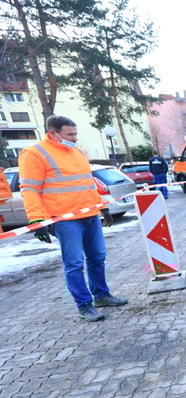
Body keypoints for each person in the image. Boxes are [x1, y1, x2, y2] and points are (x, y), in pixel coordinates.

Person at [18, 115, 128, 322]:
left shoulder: (78, 152)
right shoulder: (34, 153)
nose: (75, 138)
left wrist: (102, 208)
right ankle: (84, 305)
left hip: (90, 214)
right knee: (75, 263)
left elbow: (87, 183)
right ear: (53, 133)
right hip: (65, 219)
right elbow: (30, 189)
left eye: (76, 134)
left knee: (97, 257)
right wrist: (36, 220)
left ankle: (101, 295)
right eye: (70, 134)